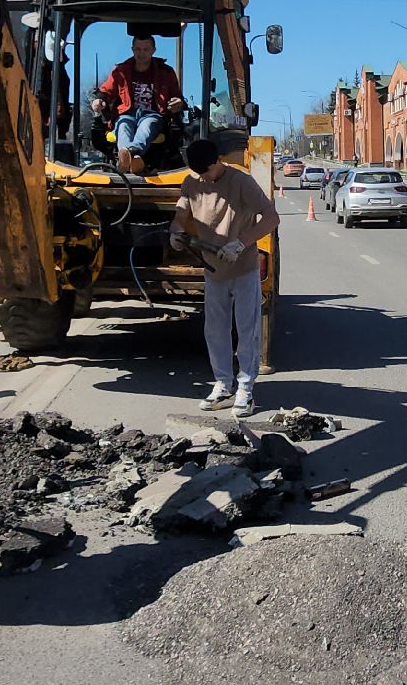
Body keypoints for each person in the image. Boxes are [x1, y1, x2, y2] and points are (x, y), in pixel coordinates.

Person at [169, 138, 280, 415]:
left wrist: (242, 242)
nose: (203, 177)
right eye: (198, 172)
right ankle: (223, 384)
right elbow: (181, 213)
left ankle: (246, 389)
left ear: (219, 160)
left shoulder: (241, 182)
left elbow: (271, 217)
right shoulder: (192, 182)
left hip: (243, 268)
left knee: (247, 330)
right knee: (215, 330)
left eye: (206, 171)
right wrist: (176, 231)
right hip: (213, 271)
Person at [91, 33, 185, 174]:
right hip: (126, 113)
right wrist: (99, 100)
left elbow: (177, 98)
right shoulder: (120, 71)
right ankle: (134, 159)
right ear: (132, 49)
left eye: (146, 49)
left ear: (153, 50)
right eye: (138, 49)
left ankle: (127, 157)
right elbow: (106, 91)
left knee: (146, 126)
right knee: (123, 126)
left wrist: (178, 103)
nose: (141, 53)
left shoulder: (166, 72)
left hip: (152, 114)